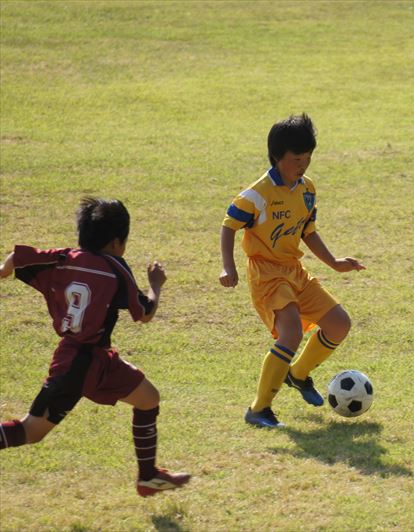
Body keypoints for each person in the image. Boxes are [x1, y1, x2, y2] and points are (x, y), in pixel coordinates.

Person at [0, 197, 190, 497]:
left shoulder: (62, 258)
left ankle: (148, 477)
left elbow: (18, 257)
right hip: (80, 363)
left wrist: (3, 270)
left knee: (148, 398)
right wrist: (156, 284)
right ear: (116, 242)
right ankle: (148, 476)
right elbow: (146, 313)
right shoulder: (115, 268)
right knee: (30, 431)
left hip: (90, 357)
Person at [219, 113, 365, 428]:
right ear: (277, 157)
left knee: (339, 324)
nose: (303, 165)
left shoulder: (307, 189)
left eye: (308, 157)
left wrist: (335, 262)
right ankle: (259, 409)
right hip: (267, 274)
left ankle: (297, 375)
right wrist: (228, 266)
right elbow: (228, 226)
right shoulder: (256, 194)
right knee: (291, 333)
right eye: (297, 159)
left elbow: (308, 232)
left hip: (294, 270)